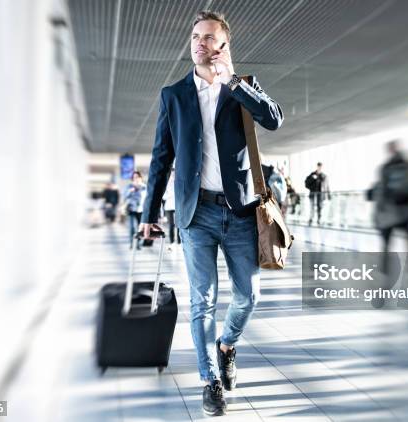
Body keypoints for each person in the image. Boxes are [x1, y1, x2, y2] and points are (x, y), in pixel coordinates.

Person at [138, 10, 283, 416]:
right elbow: (160, 158)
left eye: (209, 37)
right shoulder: (174, 95)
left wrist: (234, 82)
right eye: (196, 36)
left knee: (248, 295)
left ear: (224, 46)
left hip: (239, 211)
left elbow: (273, 119)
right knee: (202, 301)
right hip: (195, 212)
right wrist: (148, 212)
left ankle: (227, 345)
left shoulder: (243, 87)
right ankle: (209, 380)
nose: (200, 43)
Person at [373, 140, 408, 255]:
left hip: (391, 210)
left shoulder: (386, 168)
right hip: (406, 210)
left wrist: (379, 211)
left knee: (387, 243)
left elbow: (383, 190)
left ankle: (385, 268)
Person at [123, 171, 147, 249]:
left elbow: (148, 198)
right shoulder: (129, 187)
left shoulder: (145, 187)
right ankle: (132, 243)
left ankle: (138, 244)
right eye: (134, 177)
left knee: (140, 228)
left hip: (142, 210)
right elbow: (124, 197)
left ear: (140, 178)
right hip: (131, 209)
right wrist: (130, 192)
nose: (135, 179)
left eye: (137, 177)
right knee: (132, 227)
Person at [162, 168, 181, 248]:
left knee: (179, 224)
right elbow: (163, 197)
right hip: (169, 206)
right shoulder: (166, 184)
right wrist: (171, 195)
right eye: (172, 174)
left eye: (174, 174)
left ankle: (179, 242)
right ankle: (172, 241)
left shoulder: (179, 183)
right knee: (171, 225)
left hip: (178, 206)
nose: (173, 175)